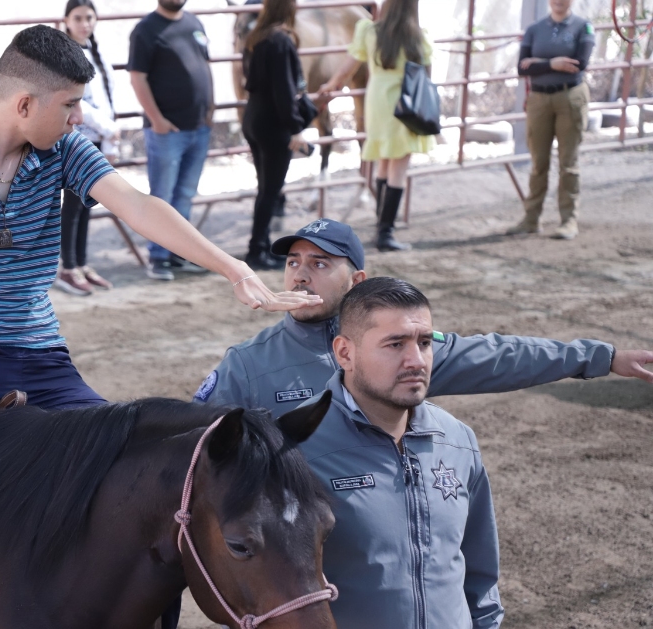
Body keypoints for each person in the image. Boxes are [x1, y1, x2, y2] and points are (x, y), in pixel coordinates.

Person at [0, 25, 321, 629]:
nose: (79, 118)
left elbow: (139, 205)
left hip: (45, 361)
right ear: (25, 104)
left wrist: (233, 268)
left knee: (150, 490)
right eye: (71, 105)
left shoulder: (66, 151)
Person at [195, 217, 653, 413]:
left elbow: (499, 356)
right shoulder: (247, 366)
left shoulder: (402, 345)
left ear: (357, 281)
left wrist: (604, 357)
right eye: (294, 262)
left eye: (320, 264)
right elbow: (190, 455)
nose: (300, 274)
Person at [302, 277, 504, 628]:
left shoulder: (457, 440)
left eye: (424, 343)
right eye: (395, 344)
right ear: (345, 353)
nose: (416, 361)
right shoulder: (294, 448)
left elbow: (479, 571)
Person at [320, 0, 434, 252]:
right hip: (405, 104)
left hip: (377, 102)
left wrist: (331, 85)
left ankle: (380, 225)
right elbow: (426, 73)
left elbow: (349, 66)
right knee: (398, 169)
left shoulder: (369, 31)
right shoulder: (418, 36)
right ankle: (385, 232)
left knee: (383, 162)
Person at [129, 0, 215, 280]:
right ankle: (158, 257)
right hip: (166, 131)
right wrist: (156, 120)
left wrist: (210, 109)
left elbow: (205, 66)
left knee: (185, 195)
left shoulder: (194, 23)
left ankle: (179, 253)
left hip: (198, 126)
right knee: (162, 196)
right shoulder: (145, 30)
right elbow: (137, 78)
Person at [509, 0, 595, 240]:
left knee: (568, 162)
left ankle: (569, 220)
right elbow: (522, 68)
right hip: (539, 100)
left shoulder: (583, 27)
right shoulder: (534, 29)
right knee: (539, 162)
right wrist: (554, 64)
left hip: (570, 96)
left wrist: (538, 63)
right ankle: (531, 218)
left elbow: (580, 64)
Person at [239, 0, 311, 270]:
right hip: (273, 123)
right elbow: (285, 90)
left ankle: (260, 245)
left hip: (254, 117)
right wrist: (295, 127)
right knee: (270, 189)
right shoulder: (280, 41)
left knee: (265, 188)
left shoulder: (256, 37)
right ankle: (257, 250)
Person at [55, 0, 120, 296]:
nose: (85, 24)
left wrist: (109, 136)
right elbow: (78, 100)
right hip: (76, 136)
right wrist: (109, 129)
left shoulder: (96, 50)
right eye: (78, 18)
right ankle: (68, 267)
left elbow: (107, 95)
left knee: (87, 202)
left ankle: (80, 263)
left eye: (89, 18)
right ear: (67, 20)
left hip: (98, 136)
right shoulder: (66, 55)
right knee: (72, 204)